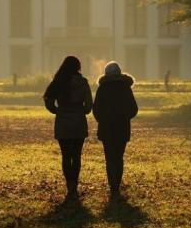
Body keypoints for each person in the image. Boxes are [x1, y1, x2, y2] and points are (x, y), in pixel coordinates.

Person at [43, 56, 93, 199]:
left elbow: (48, 100)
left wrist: (57, 110)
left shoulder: (58, 81)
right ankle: (74, 185)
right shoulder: (83, 82)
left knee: (66, 155)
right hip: (78, 122)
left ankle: (69, 186)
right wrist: (81, 111)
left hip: (63, 122)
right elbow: (89, 105)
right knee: (76, 155)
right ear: (78, 67)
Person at [92, 61, 138, 199]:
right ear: (119, 73)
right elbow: (133, 109)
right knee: (119, 157)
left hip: (106, 128)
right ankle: (116, 185)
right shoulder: (125, 88)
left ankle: (112, 185)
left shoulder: (102, 88)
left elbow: (96, 109)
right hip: (122, 127)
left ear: (106, 74)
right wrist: (124, 117)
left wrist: (103, 120)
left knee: (109, 158)